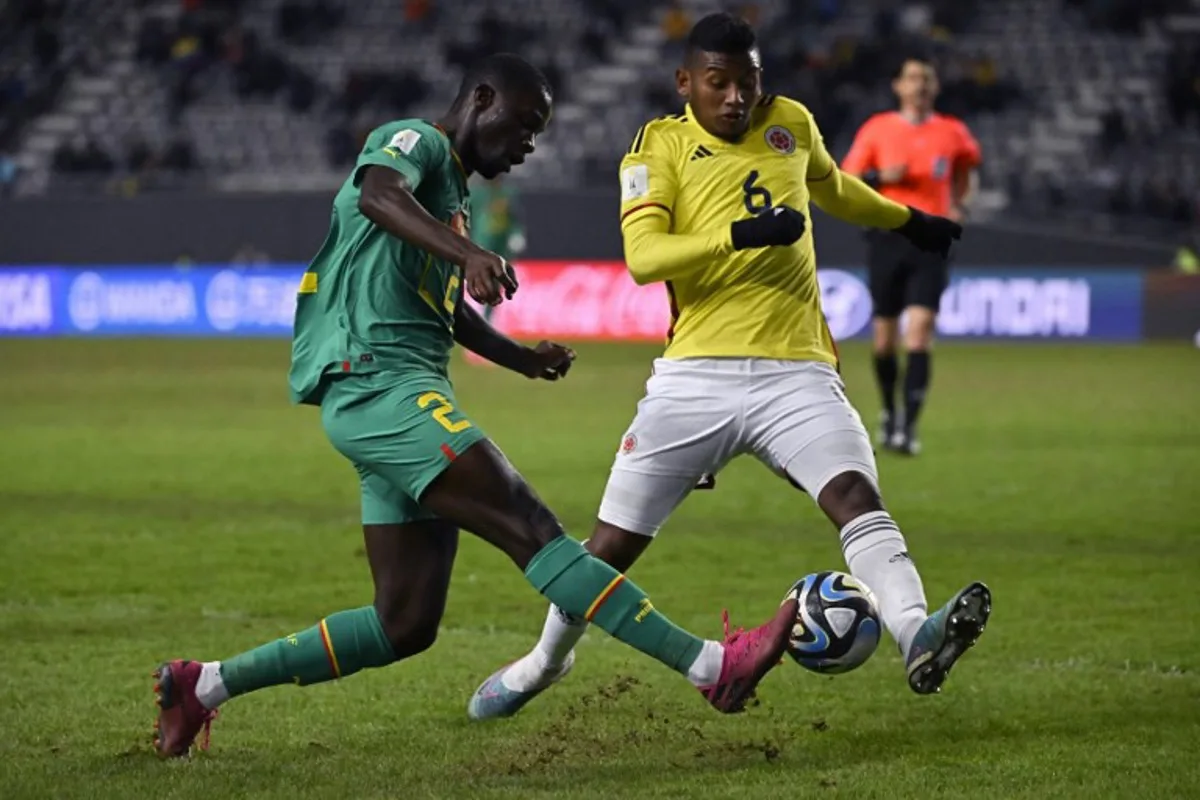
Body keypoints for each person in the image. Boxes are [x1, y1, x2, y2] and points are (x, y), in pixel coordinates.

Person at [151, 53, 796, 759]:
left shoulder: (452, 199)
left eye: (536, 134)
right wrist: (466, 255)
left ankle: (202, 685)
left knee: (405, 622)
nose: (527, 145)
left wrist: (521, 357)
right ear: (480, 99)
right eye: (522, 126)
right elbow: (376, 195)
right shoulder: (415, 143)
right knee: (532, 526)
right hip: (378, 383)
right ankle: (712, 668)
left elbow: (442, 311)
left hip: (394, 397)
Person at [467, 16, 990, 722]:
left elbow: (832, 187)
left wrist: (907, 221)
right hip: (694, 379)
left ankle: (915, 634)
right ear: (686, 83)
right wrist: (740, 236)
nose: (737, 97)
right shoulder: (659, 146)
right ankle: (543, 664)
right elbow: (644, 257)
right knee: (609, 547)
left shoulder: (791, 123)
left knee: (856, 500)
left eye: (748, 81)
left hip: (797, 370)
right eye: (719, 83)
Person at [841, 54, 982, 456]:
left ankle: (908, 426)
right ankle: (888, 411)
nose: (920, 85)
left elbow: (966, 171)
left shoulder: (952, 131)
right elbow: (847, 177)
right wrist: (880, 178)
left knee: (919, 331)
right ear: (898, 86)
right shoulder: (877, 128)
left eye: (927, 78)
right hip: (887, 235)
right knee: (884, 338)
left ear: (934, 88)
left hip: (931, 238)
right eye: (913, 78)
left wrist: (960, 205)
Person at [469, 173, 526, 323]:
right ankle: (474, 318)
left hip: (501, 244)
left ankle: (488, 319)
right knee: (480, 279)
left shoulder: (508, 193)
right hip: (481, 243)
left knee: (497, 281)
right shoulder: (476, 195)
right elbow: (468, 217)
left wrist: (516, 234)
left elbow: (514, 218)